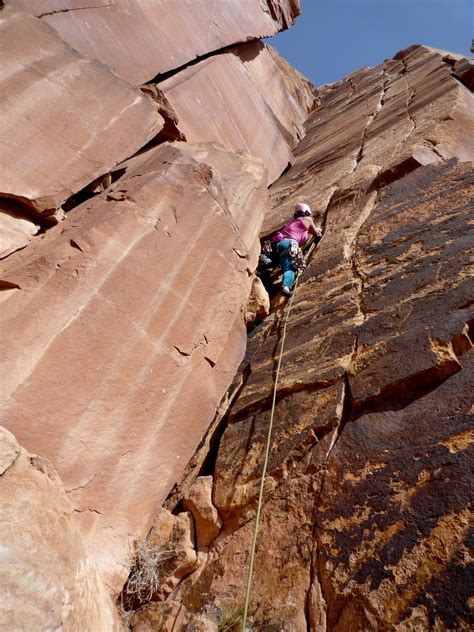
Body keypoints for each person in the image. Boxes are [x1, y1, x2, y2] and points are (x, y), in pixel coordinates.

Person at [272, 202, 322, 296]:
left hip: (279, 245)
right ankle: (286, 286)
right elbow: (317, 234)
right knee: (290, 268)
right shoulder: (307, 219)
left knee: (284, 262)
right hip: (290, 245)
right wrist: (318, 230)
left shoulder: (292, 222)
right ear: (307, 212)